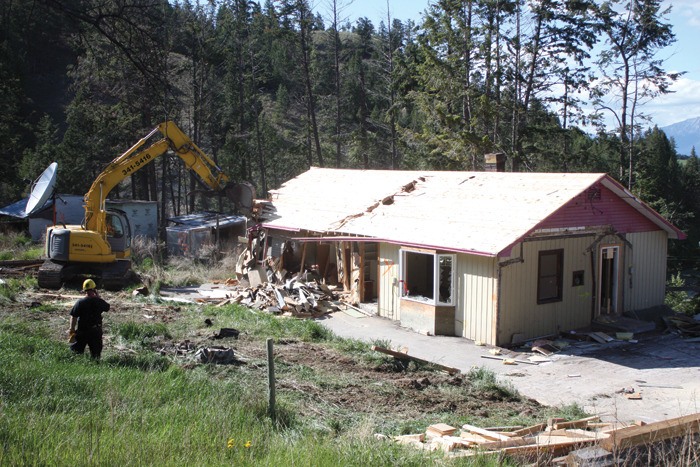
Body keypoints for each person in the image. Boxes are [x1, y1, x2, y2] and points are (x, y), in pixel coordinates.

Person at [68, 279, 110, 359]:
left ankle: (76, 366)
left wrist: (72, 329)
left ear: (84, 290)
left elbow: (73, 317)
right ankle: (95, 366)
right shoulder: (99, 301)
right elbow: (107, 307)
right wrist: (98, 296)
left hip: (82, 331)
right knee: (96, 355)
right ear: (94, 289)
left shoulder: (80, 302)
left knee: (76, 353)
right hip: (95, 331)